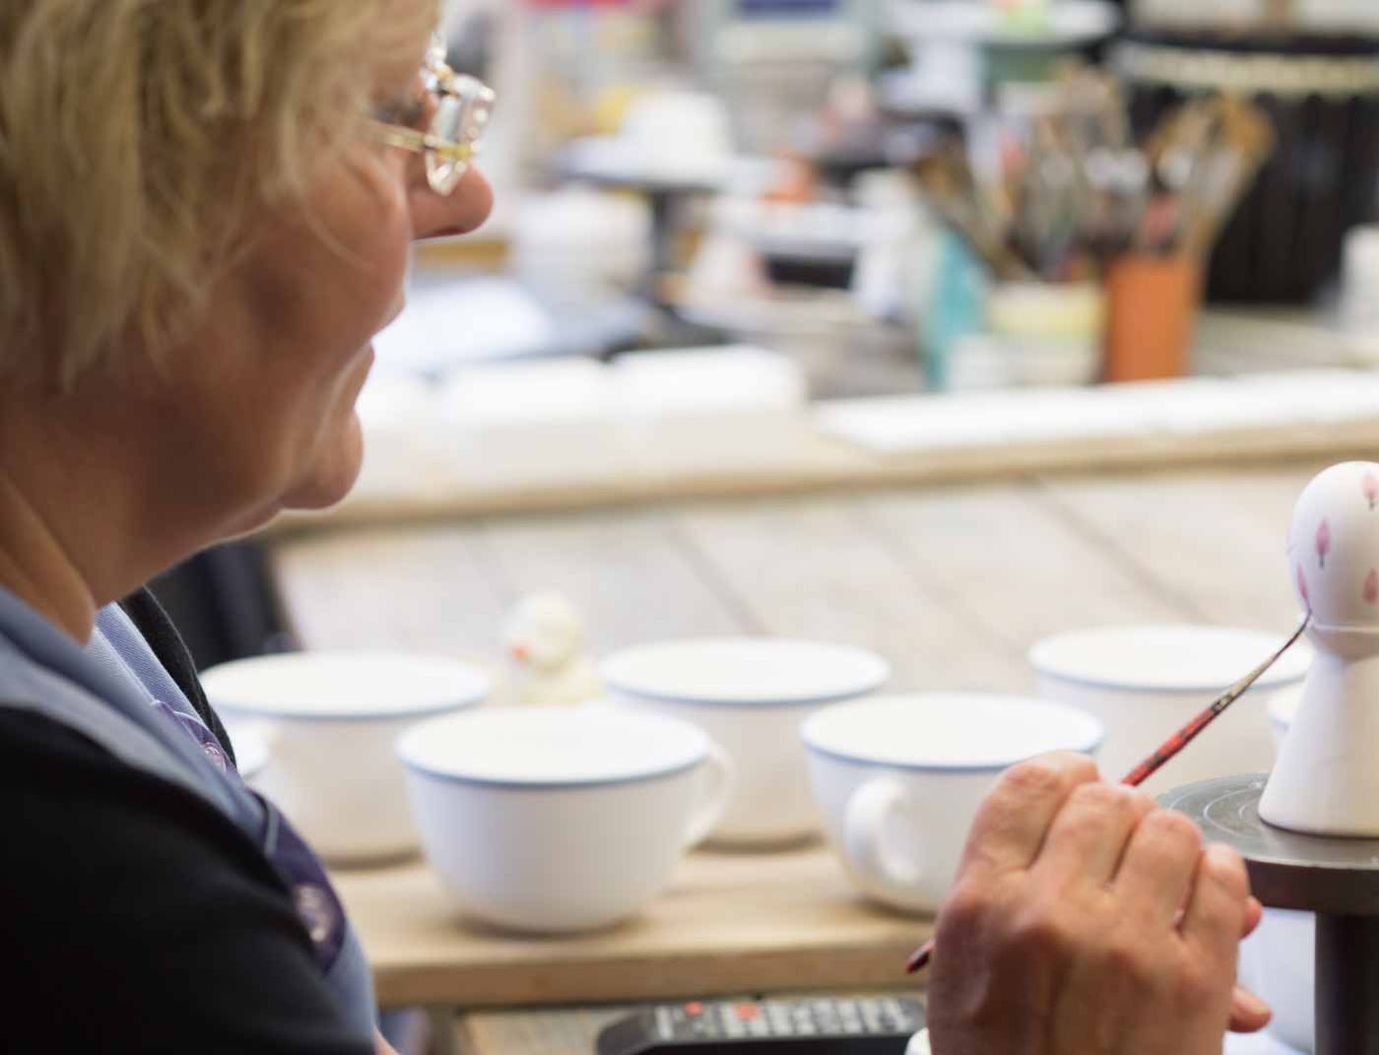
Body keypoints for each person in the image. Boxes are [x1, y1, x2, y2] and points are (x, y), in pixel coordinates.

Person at [0, 3, 1268, 1052]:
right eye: (399, 116)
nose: (463, 198)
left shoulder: (91, 639)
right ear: (123, 178)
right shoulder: (89, 892)